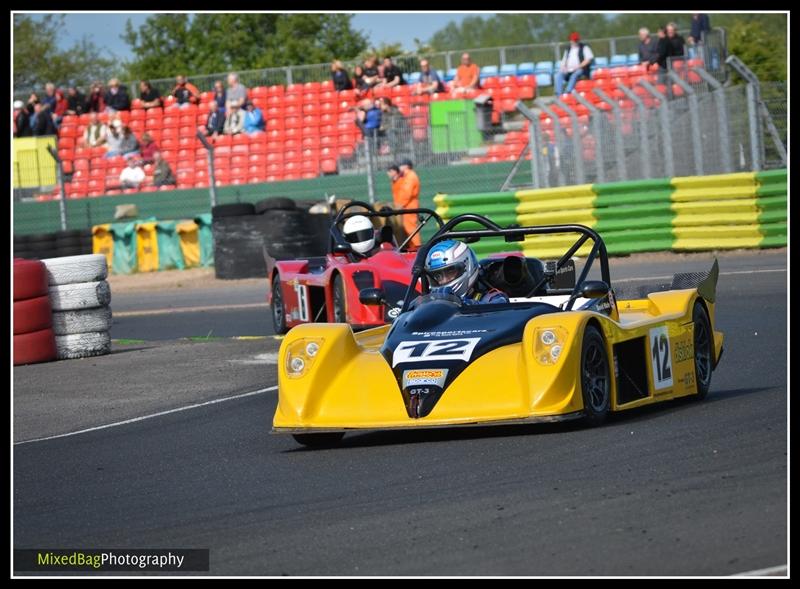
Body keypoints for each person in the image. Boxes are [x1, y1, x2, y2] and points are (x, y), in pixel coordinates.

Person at [423, 240, 509, 305]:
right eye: (438, 276)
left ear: (468, 266)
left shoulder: (494, 298)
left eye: (449, 273)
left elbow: (496, 311)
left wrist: (460, 304)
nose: (444, 280)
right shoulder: (430, 302)